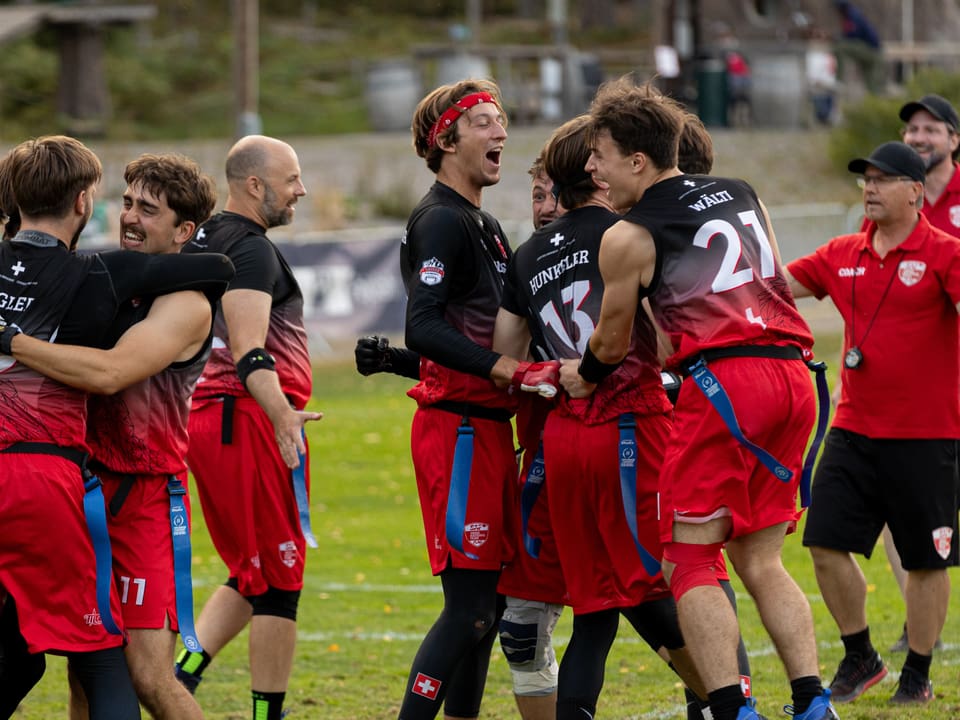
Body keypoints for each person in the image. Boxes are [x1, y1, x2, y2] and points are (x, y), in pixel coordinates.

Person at [561, 78, 837, 720]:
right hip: (792, 374)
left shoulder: (626, 235)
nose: (592, 169)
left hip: (724, 386)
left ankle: (731, 709)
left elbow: (612, 338)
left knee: (687, 556)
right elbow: (767, 281)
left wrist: (587, 376)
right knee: (760, 555)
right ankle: (812, 701)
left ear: (637, 159)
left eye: (598, 154)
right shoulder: (742, 193)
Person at [0, 135, 232, 720]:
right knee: (83, 660)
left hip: (143, 498)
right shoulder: (103, 279)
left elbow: (109, 374)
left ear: (184, 231)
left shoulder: (185, 302)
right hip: (77, 485)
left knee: (148, 675)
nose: (128, 216)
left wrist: (13, 342)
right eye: (126, 201)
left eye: (147, 209)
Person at [390, 78, 561, 720]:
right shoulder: (440, 219)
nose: (501, 134)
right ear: (446, 139)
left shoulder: (482, 222)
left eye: (501, 121)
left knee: (483, 612)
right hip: (459, 433)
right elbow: (424, 325)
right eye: (485, 122)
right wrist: (512, 371)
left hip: (487, 431)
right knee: (467, 612)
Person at [786, 141, 960, 706]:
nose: (870, 188)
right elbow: (773, 287)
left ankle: (918, 672)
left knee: (926, 560)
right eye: (866, 178)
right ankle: (860, 654)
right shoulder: (841, 252)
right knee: (824, 543)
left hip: (928, 435)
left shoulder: (945, 253)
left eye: (884, 179)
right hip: (854, 428)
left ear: (915, 191)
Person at [172, 135, 322, 720]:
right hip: (246, 419)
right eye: (292, 179)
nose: (301, 190)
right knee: (280, 579)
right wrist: (282, 412)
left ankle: (179, 676)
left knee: (252, 568)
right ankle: (267, 715)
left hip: (215, 421)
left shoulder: (203, 239)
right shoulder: (251, 250)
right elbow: (249, 349)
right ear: (254, 186)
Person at [833, 0, 883, 94]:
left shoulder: (853, 15)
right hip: (871, 52)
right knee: (871, 87)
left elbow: (854, 34)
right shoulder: (850, 14)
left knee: (840, 47)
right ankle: (873, 100)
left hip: (872, 51)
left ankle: (839, 80)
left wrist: (840, 37)